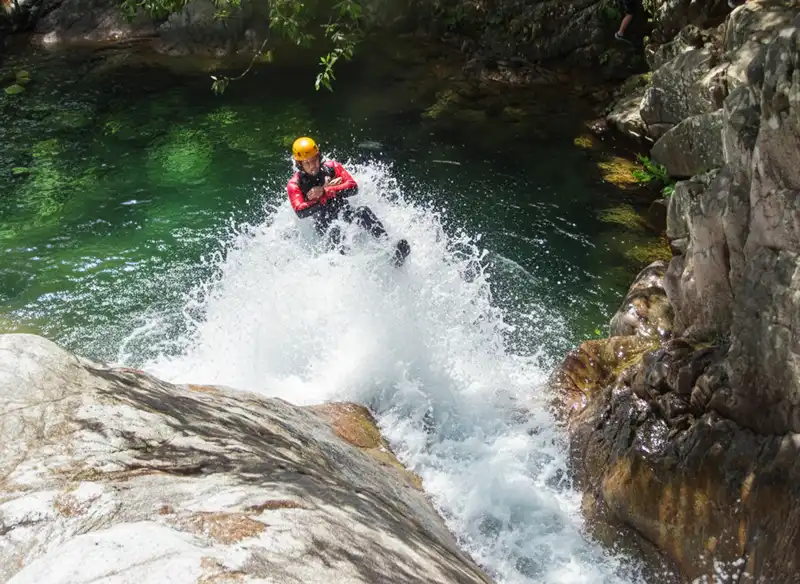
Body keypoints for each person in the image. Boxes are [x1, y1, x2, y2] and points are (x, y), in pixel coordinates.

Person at [286, 136, 411, 267]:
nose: (313, 166)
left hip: (347, 214)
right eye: (307, 163)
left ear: (319, 157)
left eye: (315, 160)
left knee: (363, 212)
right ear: (300, 164)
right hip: (327, 228)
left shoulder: (332, 167)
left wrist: (325, 191)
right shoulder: (295, 184)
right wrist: (325, 194)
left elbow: (353, 187)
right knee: (336, 231)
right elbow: (300, 211)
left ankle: (390, 249)